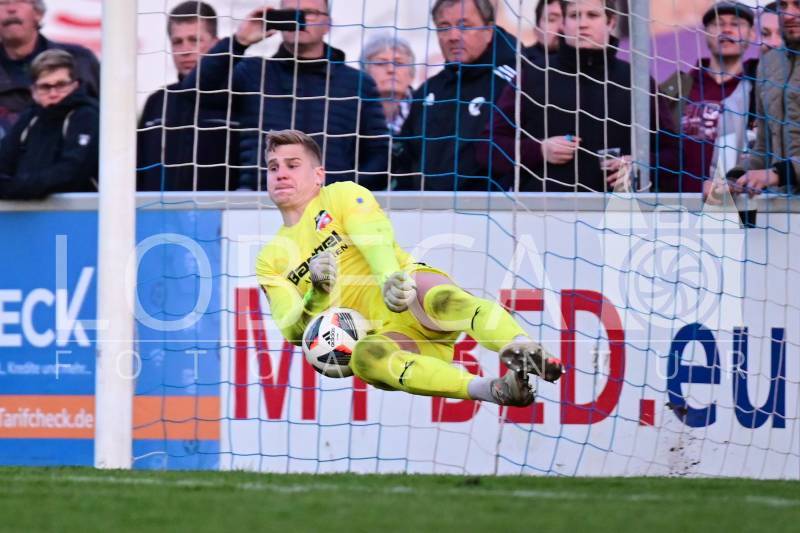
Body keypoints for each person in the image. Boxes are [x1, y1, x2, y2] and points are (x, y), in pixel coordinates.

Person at [256, 129, 564, 407]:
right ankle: (495, 389)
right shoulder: (270, 259)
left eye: (292, 165)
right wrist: (318, 293)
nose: (281, 174)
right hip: (388, 334)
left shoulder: (341, 194)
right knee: (366, 360)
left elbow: (373, 238)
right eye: (273, 167)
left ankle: (521, 347)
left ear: (318, 175)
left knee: (443, 299)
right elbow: (292, 331)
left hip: (408, 293)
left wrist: (390, 280)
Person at [186, 0, 389, 191]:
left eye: (310, 12)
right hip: (261, 199)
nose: (300, 19)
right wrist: (239, 41)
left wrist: (342, 189)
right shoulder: (253, 72)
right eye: (291, 13)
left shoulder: (357, 83)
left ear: (328, 24)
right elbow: (192, 92)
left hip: (330, 204)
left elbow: (380, 154)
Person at [483, 0, 674, 192]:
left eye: (592, 15)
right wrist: (540, 150)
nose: (582, 24)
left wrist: (642, 163)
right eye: (574, 16)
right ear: (563, 24)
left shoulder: (636, 81)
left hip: (618, 207)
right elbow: (489, 147)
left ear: (611, 23)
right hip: (544, 207)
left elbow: (674, 153)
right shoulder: (532, 76)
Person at [393, 0, 520, 191]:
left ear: (488, 31)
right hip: (424, 207)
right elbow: (406, 158)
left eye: (464, 26)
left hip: (492, 206)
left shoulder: (514, 83)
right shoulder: (428, 90)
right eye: (444, 27)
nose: (453, 36)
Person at [137, 1, 240, 191]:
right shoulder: (157, 101)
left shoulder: (238, 97)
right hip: (157, 208)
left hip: (222, 208)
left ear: (216, 44)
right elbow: (137, 171)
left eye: (195, 40)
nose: (185, 50)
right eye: (178, 42)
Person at [660, 2, 757, 193]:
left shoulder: (759, 90)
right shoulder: (677, 88)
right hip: (676, 203)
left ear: (752, 34)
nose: (726, 29)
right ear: (705, 33)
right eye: (718, 24)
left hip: (736, 203)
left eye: (736, 24)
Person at [713, 0, 800, 199]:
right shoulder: (768, 64)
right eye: (783, 5)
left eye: (798, 4)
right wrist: (733, 178)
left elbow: (775, 172)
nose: (788, 15)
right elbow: (764, 147)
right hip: (785, 208)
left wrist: (779, 174)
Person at [0, 49, 98, 199]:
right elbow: (4, 159)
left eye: (61, 85)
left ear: (75, 85)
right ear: (34, 90)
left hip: (80, 210)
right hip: (26, 209)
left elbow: (72, 173)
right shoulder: (30, 118)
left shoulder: (86, 116)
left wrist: (12, 188)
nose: (53, 93)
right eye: (45, 87)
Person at [0, 0, 99, 140]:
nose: (11, 9)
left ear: (38, 13)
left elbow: (111, 114)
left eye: (21, 1)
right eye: (3, 3)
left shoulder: (80, 60)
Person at [360, 33, 416, 135]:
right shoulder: (352, 108)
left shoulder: (427, 109)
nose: (391, 69)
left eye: (398, 63)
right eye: (380, 63)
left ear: (411, 75)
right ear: (365, 72)